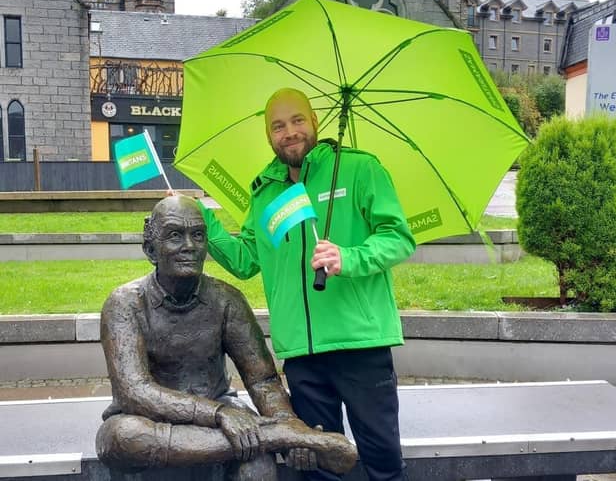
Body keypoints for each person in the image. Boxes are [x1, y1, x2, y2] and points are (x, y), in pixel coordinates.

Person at [201, 88, 416, 481]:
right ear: (269, 135)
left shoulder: (359, 169)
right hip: (301, 354)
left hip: (361, 343)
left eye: (298, 120)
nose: (290, 132)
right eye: (278, 126)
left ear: (314, 123)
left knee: (383, 462)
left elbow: (399, 237)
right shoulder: (266, 191)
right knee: (317, 467)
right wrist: (204, 219)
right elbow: (247, 259)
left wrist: (347, 257)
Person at [95, 195, 357, 480]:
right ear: (150, 249)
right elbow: (135, 392)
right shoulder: (124, 304)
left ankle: (277, 433)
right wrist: (227, 416)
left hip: (220, 413)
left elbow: (263, 380)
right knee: (122, 437)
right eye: (175, 236)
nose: (189, 246)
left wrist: (286, 419)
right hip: (154, 419)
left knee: (258, 467)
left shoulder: (227, 299)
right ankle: (274, 436)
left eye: (198, 235)